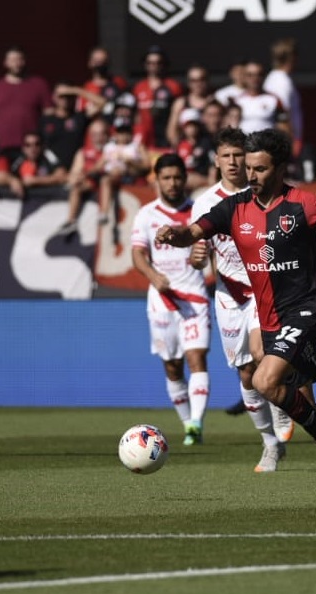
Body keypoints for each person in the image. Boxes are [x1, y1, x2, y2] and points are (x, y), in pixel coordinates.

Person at [156, 128, 316, 499]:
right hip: (268, 316)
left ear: (281, 168)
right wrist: (175, 235)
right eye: (248, 168)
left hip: (306, 308)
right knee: (286, 391)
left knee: (265, 381)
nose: (250, 176)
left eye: (260, 169)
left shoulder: (303, 204)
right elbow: (194, 232)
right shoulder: (234, 208)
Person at [190, 127, 292, 470]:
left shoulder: (261, 192)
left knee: (263, 351)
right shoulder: (205, 203)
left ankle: (280, 409)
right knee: (246, 373)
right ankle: (269, 444)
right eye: (227, 156)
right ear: (216, 160)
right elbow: (198, 254)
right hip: (229, 295)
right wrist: (197, 256)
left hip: (264, 288)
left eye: (239, 156)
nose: (234, 162)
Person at [132, 154, 210, 445]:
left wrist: (199, 260)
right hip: (161, 298)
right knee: (172, 365)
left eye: (178, 177)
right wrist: (152, 275)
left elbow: (205, 255)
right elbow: (138, 254)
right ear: (157, 180)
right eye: (167, 177)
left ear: (185, 178)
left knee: (196, 357)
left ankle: (196, 426)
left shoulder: (199, 213)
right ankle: (187, 420)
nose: (173, 183)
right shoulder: (146, 215)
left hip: (195, 297)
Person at [0, 46, 53, 163]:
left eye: (19, 59)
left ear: (24, 61)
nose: (16, 63)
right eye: (12, 60)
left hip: (30, 148)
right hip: (1, 147)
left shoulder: (39, 84)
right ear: (5, 63)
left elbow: (49, 115)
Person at [40, 82, 106, 171]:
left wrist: (75, 91)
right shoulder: (46, 120)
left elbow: (102, 103)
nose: (65, 99)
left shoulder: (79, 117)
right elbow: (42, 146)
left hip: (76, 169)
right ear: (54, 97)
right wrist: (56, 167)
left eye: (68, 96)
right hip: (52, 170)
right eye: (61, 96)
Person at [132, 45, 183, 150]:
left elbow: (178, 114)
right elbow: (136, 116)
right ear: (145, 65)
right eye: (150, 63)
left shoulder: (173, 86)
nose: (154, 66)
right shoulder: (138, 87)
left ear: (164, 64)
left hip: (166, 141)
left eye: (158, 62)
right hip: (144, 142)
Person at [264, 38, 303, 157]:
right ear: (291, 57)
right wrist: (291, 143)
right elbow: (282, 115)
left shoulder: (277, 78)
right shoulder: (281, 81)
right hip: (284, 141)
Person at [233, 60, 289, 136]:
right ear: (244, 77)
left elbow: (284, 127)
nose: (255, 78)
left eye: (259, 75)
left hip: (267, 146)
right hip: (244, 145)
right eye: (250, 75)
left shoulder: (274, 100)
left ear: (264, 76)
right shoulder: (237, 101)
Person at [166, 63, 214, 147]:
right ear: (188, 83)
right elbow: (172, 131)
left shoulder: (215, 101)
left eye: (201, 79)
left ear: (207, 80)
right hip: (187, 149)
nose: (198, 84)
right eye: (194, 80)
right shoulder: (181, 103)